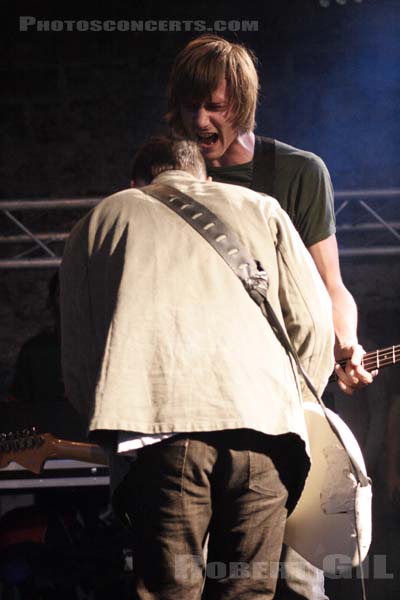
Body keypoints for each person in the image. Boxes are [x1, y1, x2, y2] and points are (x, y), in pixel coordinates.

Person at [60, 136, 334, 599]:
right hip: (266, 430)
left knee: (172, 590)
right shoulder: (261, 208)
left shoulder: (104, 217)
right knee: (248, 591)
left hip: (165, 433)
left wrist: (114, 426)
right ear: (205, 177)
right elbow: (313, 323)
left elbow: (83, 353)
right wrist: (294, 405)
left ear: (136, 182)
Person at [165, 34, 373, 397]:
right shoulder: (166, 179)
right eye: (190, 106)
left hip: (286, 392)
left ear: (243, 104)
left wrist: (345, 342)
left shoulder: (299, 172)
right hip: (199, 387)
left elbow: (330, 286)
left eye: (214, 106)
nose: (200, 120)